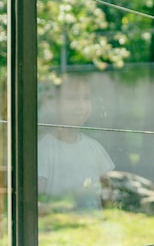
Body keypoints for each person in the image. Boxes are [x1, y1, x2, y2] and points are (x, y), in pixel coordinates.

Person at [38, 76, 114, 211]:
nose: (80, 106)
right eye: (71, 99)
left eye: (86, 98)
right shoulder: (44, 148)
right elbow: (38, 198)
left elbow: (108, 192)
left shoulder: (94, 148)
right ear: (51, 104)